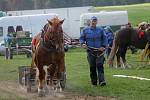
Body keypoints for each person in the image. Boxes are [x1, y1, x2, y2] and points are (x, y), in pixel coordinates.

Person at [80, 16, 107, 86]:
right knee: (92, 66)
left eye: (95, 21)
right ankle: (94, 82)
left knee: (100, 65)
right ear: (90, 22)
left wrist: (103, 46)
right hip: (90, 51)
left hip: (100, 51)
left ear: (96, 22)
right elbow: (82, 38)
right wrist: (83, 44)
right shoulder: (85, 30)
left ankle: (102, 81)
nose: (93, 22)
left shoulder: (101, 30)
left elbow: (105, 39)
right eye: (92, 21)